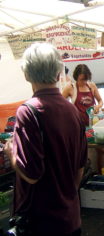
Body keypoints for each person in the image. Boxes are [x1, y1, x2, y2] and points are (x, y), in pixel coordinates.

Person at [4, 43, 87, 236]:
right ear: (59, 74)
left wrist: (12, 153)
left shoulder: (28, 111)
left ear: (26, 74)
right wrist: (66, 198)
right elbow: (80, 167)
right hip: (70, 219)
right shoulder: (72, 110)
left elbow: (31, 174)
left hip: (41, 222)